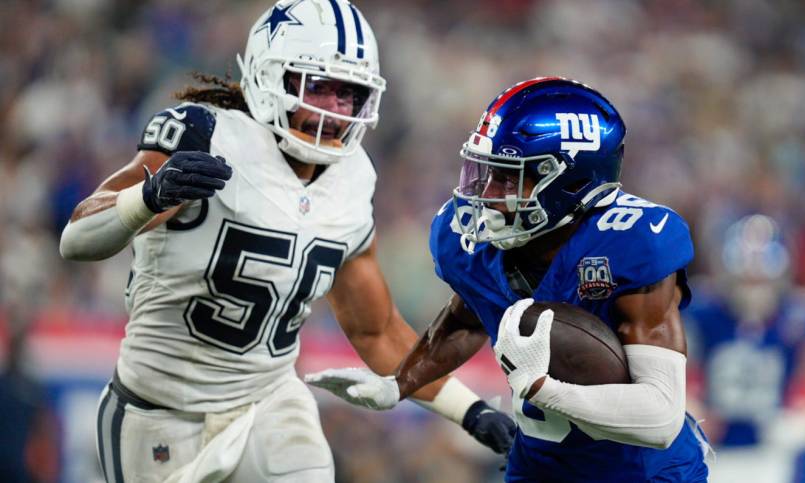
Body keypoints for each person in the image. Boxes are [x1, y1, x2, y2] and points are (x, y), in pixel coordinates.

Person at [59, 1, 513, 481]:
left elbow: (376, 331)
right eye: (318, 87)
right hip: (158, 410)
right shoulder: (205, 134)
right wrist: (147, 197)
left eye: (349, 94)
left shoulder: (353, 179)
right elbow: (76, 238)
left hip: (267, 401)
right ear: (268, 76)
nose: (335, 111)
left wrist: (472, 410)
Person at [306, 77, 713, 481]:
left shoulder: (634, 242)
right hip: (540, 468)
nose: (487, 193)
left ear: (569, 182)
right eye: (485, 172)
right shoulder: (474, 242)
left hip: (646, 474)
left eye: (509, 178)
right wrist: (399, 384)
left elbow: (660, 418)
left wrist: (542, 389)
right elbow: (467, 319)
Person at [683, 214, 805, 481]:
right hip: (714, 449)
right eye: (746, 278)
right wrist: (688, 407)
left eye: (760, 279)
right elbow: (668, 370)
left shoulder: (799, 314)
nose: (753, 287)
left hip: (772, 451)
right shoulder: (704, 309)